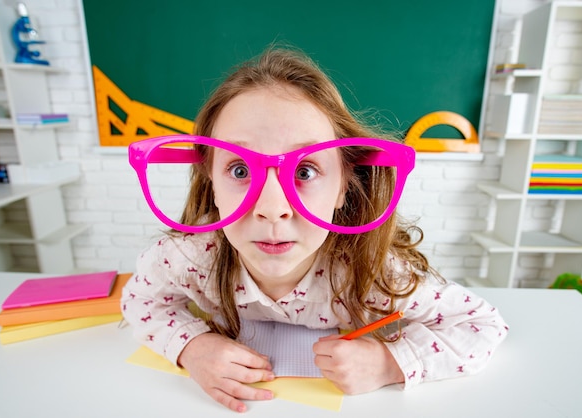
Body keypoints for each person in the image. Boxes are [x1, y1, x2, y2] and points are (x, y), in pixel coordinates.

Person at [122, 46, 508, 413]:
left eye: (305, 171)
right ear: (211, 181)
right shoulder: (192, 255)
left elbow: (482, 324)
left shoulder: (372, 268)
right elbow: (141, 300)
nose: (272, 210)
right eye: (239, 170)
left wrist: (390, 363)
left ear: (343, 185)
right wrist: (193, 347)